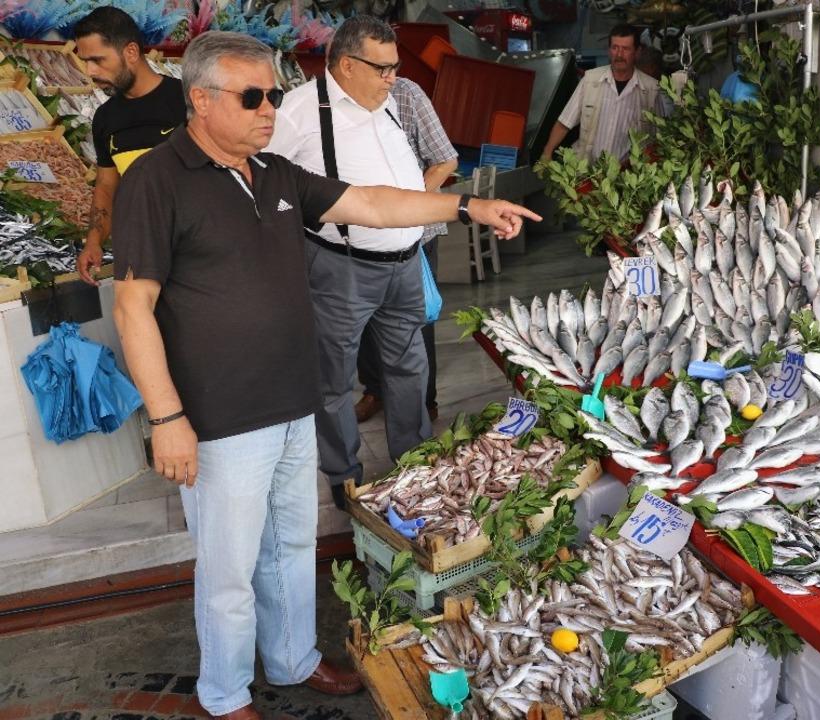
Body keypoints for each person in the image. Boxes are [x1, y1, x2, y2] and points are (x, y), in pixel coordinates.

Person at [110, 30, 537, 720]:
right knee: (228, 568)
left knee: (290, 543)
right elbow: (133, 307)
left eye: (273, 97)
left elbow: (370, 204)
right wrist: (167, 418)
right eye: (252, 98)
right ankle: (224, 694)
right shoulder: (155, 181)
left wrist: (467, 207)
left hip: (290, 400)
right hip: (220, 416)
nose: (268, 110)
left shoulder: (274, 173)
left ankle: (293, 658)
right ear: (201, 100)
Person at [265, 17, 446, 512]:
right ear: (346, 65)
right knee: (334, 380)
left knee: (410, 368)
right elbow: (262, 179)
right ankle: (344, 478)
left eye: (395, 67)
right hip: (341, 268)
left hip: (405, 265)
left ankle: (414, 465)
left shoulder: (388, 103)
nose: (393, 78)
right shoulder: (299, 111)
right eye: (382, 68)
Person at [354, 74, 458, 425]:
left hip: (414, 231)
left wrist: (406, 205)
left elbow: (445, 160)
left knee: (416, 316)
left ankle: (424, 401)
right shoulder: (328, 99)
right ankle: (375, 390)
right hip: (359, 230)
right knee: (364, 316)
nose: (387, 74)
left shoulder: (406, 94)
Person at [72, 6, 186, 286]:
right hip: (142, 261)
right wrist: (94, 241)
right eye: (85, 61)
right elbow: (106, 186)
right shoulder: (105, 118)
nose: (90, 71)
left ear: (131, 52)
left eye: (98, 60)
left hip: (197, 259)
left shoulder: (187, 101)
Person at [540, 24, 662, 163]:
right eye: (615, 48)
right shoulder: (590, 80)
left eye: (626, 49)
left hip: (627, 173)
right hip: (585, 169)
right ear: (609, 50)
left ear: (637, 52)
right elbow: (565, 122)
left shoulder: (651, 89)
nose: (619, 55)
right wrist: (547, 153)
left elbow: (658, 138)